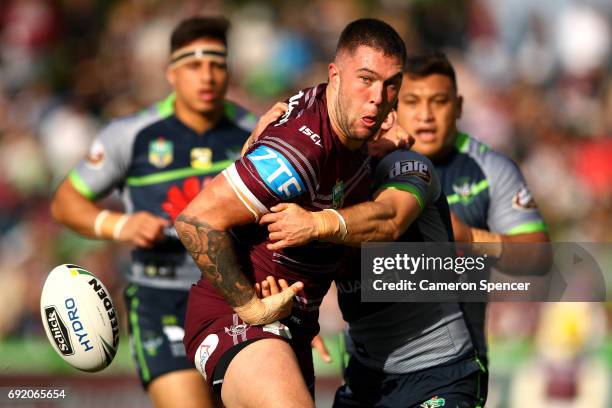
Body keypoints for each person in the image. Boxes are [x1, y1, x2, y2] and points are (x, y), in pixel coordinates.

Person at [259, 51, 550, 407]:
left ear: (458, 107)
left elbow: (538, 256)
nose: (425, 115)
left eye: (439, 102)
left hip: (444, 364)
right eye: (413, 101)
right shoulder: (344, 171)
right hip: (369, 367)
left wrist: (470, 237)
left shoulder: (459, 167)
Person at [174, 18, 406, 408]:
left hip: (292, 327)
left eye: (391, 85)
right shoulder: (299, 152)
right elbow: (196, 220)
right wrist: (251, 305)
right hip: (239, 320)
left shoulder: (356, 129)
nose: (378, 97)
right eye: (365, 79)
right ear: (335, 76)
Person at [50, 16, 260, 408]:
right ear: (171, 73)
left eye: (217, 64)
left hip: (233, 296)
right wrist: (120, 224)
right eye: (194, 66)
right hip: (161, 299)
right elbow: (65, 202)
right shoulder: (132, 134)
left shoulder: (255, 134)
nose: (208, 76)